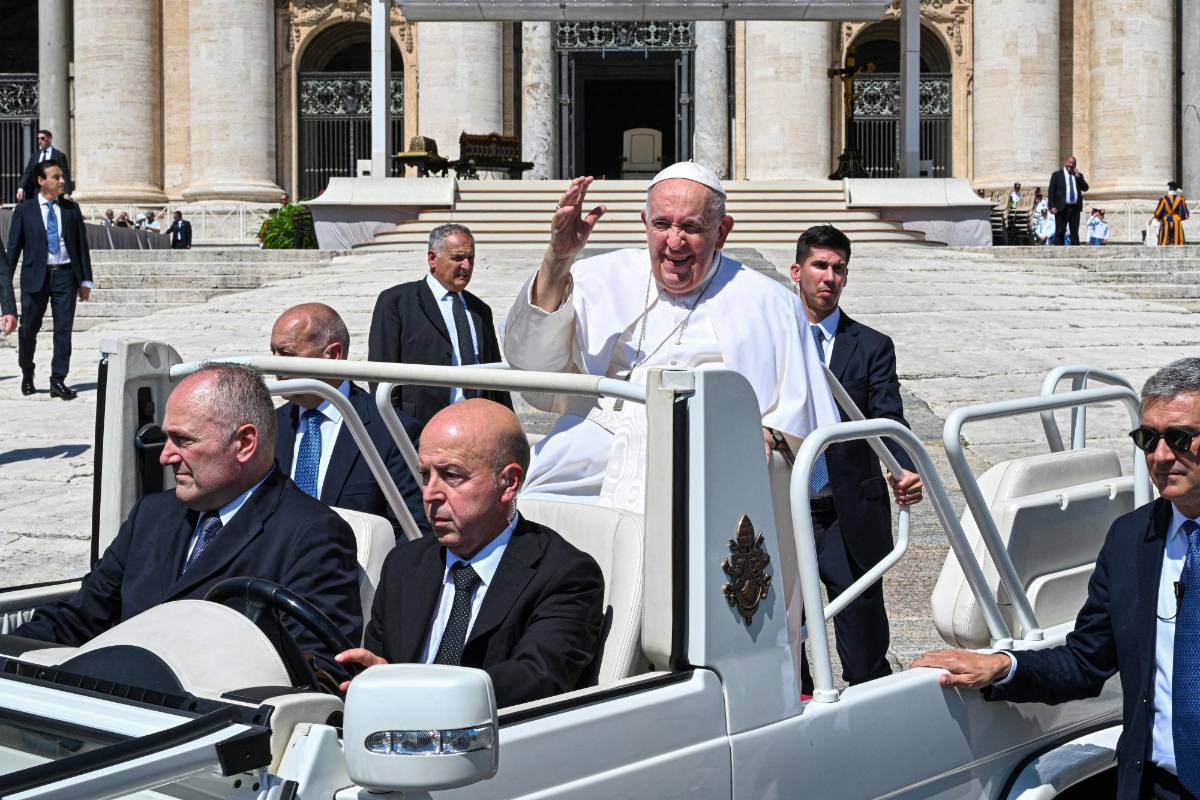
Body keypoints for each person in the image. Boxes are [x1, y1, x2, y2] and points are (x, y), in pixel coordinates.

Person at [914, 357, 1200, 800]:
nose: (1161, 456)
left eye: (1180, 438)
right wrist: (1003, 667)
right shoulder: (1131, 539)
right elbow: (1086, 661)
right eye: (1148, 439)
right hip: (1158, 787)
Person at [503, 163, 837, 508]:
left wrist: (771, 433)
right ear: (645, 223)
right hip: (596, 444)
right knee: (532, 508)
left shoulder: (772, 303)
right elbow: (533, 362)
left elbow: (801, 414)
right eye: (662, 224)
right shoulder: (599, 276)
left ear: (722, 232)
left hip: (713, 451)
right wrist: (558, 258)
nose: (674, 242)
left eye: (691, 227)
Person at [15, 364, 363, 677]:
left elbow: (315, 671)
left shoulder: (312, 534)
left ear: (244, 443)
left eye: (183, 440)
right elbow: (80, 618)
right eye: (166, 438)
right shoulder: (151, 515)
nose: (165, 456)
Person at [336, 399, 605, 707]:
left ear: (509, 482)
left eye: (452, 475)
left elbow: (535, 681)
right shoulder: (404, 564)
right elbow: (382, 666)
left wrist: (410, 691)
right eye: (425, 475)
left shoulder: (565, 576)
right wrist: (374, 678)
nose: (430, 493)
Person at [790, 224, 923, 693]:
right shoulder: (773, 340)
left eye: (839, 268)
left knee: (863, 643)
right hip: (784, 506)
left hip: (848, 512)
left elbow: (888, 418)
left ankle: (872, 711)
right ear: (797, 271)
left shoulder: (871, 345)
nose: (829, 277)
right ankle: (798, 704)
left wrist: (903, 467)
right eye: (820, 265)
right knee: (783, 634)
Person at [270, 303, 428, 536]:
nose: (275, 365)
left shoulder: (391, 431)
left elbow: (415, 529)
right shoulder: (269, 427)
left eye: (286, 354)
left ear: (333, 354)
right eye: (273, 353)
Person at [368, 223, 512, 428]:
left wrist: (506, 425)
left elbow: (496, 381)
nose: (466, 266)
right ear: (432, 259)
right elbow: (381, 374)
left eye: (471, 258)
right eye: (458, 258)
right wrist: (396, 430)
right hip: (419, 429)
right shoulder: (397, 302)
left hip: (477, 427)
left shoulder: (480, 310)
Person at [6, 160, 93, 400]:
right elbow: (13, 250)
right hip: (35, 277)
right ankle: (27, 371)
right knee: (28, 329)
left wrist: (85, 281)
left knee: (63, 329)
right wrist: (5, 286)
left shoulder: (71, 209)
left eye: (62, 176)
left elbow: (81, 246)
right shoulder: (25, 210)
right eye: (56, 177)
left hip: (65, 276)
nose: (62, 181)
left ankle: (58, 379)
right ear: (41, 181)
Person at [16, 129, 72, 202]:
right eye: (38, 138)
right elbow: (28, 172)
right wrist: (21, 188)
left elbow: (64, 173)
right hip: (36, 192)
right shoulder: (35, 156)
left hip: (53, 191)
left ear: (50, 139)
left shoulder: (59, 155)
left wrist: (67, 192)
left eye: (42, 138)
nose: (40, 141)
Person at [1048, 155, 1089, 246]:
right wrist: (1051, 206)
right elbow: (1051, 192)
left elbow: (1085, 188)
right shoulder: (1057, 175)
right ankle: (1059, 251)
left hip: (1075, 208)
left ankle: (1075, 252)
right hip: (1062, 207)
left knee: (1074, 232)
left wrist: (1078, 177)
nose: (1071, 165)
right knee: (1060, 231)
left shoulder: (1078, 175)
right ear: (1065, 162)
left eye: (1073, 163)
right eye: (1069, 162)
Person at [1154, 182, 1190, 246]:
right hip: (1176, 220)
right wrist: (1178, 217)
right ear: (1176, 189)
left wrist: (1160, 217)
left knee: (1164, 241)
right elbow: (1184, 214)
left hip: (1166, 220)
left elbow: (1158, 213)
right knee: (1177, 241)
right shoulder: (1180, 199)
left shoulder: (1164, 199)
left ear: (1169, 188)